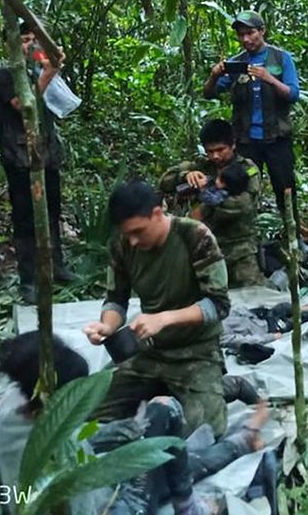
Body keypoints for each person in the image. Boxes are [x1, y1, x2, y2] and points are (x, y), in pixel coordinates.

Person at [0, 331, 269, 515]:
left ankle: (242, 440)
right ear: (56, 396)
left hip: (92, 485)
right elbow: (82, 502)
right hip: (114, 507)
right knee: (167, 444)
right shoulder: (51, 438)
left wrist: (126, 432)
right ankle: (237, 448)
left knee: (159, 436)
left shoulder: (11, 406)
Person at [83, 181, 230, 436]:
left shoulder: (195, 236)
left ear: (157, 213)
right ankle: (161, 390)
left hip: (196, 352)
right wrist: (107, 325)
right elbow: (117, 299)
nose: (133, 240)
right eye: (127, 233)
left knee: (206, 431)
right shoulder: (123, 244)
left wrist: (164, 319)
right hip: (149, 352)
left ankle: (227, 386)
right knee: (85, 411)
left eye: (138, 231)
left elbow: (218, 305)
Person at [0, 22, 78, 300]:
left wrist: (52, 63)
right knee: (26, 217)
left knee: (52, 211)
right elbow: (24, 104)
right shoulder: (6, 76)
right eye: (24, 40)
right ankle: (28, 279)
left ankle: (57, 266)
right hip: (20, 158)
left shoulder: (38, 69)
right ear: (11, 45)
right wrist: (49, 71)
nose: (29, 45)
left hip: (47, 154)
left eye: (33, 39)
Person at [203, 11, 302, 233]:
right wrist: (214, 75)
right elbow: (209, 93)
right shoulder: (237, 63)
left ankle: (293, 235)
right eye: (241, 35)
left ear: (262, 31)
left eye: (250, 33)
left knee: (285, 188)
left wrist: (269, 78)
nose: (245, 39)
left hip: (277, 139)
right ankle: (246, 235)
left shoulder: (281, 58)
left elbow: (293, 94)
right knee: (242, 188)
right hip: (246, 141)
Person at [160, 119, 264, 287]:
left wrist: (206, 198)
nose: (215, 156)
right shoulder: (201, 165)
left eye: (220, 150)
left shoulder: (247, 169)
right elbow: (165, 182)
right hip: (204, 248)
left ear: (233, 145)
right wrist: (185, 175)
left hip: (239, 249)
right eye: (210, 151)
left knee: (254, 298)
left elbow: (243, 205)